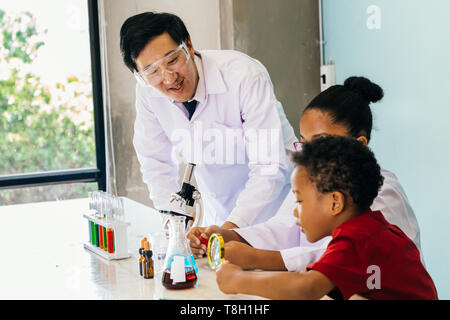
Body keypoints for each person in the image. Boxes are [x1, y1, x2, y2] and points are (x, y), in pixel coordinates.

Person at [188, 76, 423, 272]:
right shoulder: (312, 181)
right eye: (304, 142)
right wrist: (230, 236)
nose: (310, 155)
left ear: (359, 144)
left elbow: (339, 257)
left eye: (321, 143)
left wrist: (256, 257)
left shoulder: (382, 193)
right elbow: (284, 229)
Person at [119, 12, 297, 229]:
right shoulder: (148, 92)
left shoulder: (244, 76)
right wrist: (174, 223)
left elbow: (269, 166)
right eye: (152, 71)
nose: (168, 78)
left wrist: (230, 229)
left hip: (277, 213)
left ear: (189, 46)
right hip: (220, 218)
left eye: (173, 60)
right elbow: (154, 161)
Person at [215, 135, 438, 300]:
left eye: (300, 201)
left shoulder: (357, 241)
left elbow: (306, 288)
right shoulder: (370, 229)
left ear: (335, 202)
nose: (294, 212)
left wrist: (236, 280)